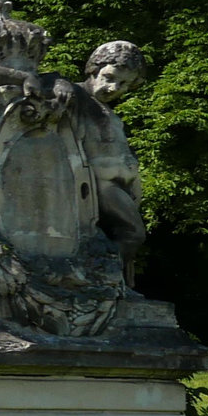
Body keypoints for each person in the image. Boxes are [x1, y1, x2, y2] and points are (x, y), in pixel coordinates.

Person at [79, 39, 147, 281]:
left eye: (124, 84)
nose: (115, 88)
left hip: (120, 187)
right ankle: (100, 275)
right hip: (100, 186)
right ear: (93, 69)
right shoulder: (78, 96)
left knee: (127, 234)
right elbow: (49, 83)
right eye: (109, 77)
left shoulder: (108, 111)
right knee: (134, 233)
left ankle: (110, 280)